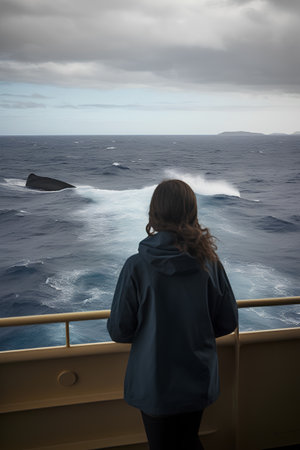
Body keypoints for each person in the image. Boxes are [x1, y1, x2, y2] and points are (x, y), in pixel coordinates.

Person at [107, 179, 238, 450]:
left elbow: (119, 330)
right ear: (191, 213)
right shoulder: (209, 263)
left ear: (154, 214)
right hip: (197, 376)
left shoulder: (136, 266)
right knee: (188, 440)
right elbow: (228, 321)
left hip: (154, 381)